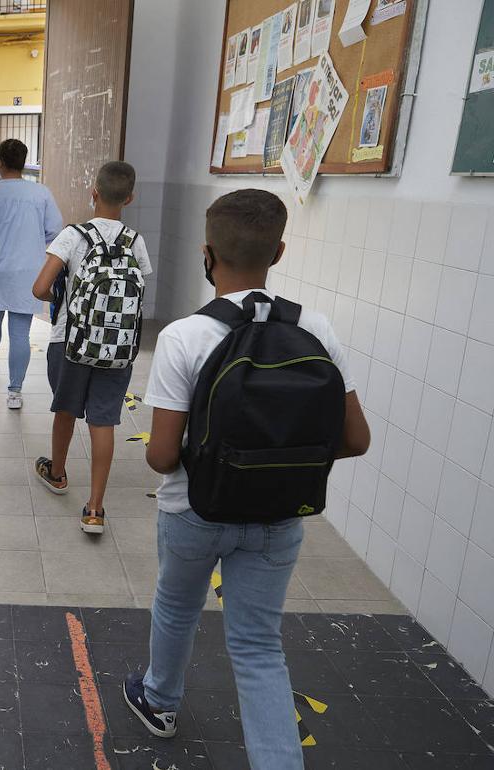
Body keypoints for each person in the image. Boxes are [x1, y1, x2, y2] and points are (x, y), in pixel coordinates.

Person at [121, 190, 370, 769]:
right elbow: (356, 440)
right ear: (279, 251)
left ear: (206, 254)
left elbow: (161, 457)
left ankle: (159, 698)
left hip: (194, 512)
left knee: (176, 607)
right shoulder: (318, 329)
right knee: (259, 647)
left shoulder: (185, 336)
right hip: (281, 516)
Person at [29, 161, 151, 534]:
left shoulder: (73, 236)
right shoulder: (135, 240)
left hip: (70, 340)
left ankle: (59, 473)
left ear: (93, 192)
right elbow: (140, 287)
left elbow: (39, 288)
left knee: (65, 410)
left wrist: (60, 300)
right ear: (129, 198)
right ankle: (95, 509)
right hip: (116, 348)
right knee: (104, 421)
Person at [0, 138, 63, 410]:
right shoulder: (41, 193)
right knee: (20, 333)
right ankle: (15, 392)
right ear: (23, 162)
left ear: (0, 162)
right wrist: (31, 241)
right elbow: (54, 229)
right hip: (26, 271)